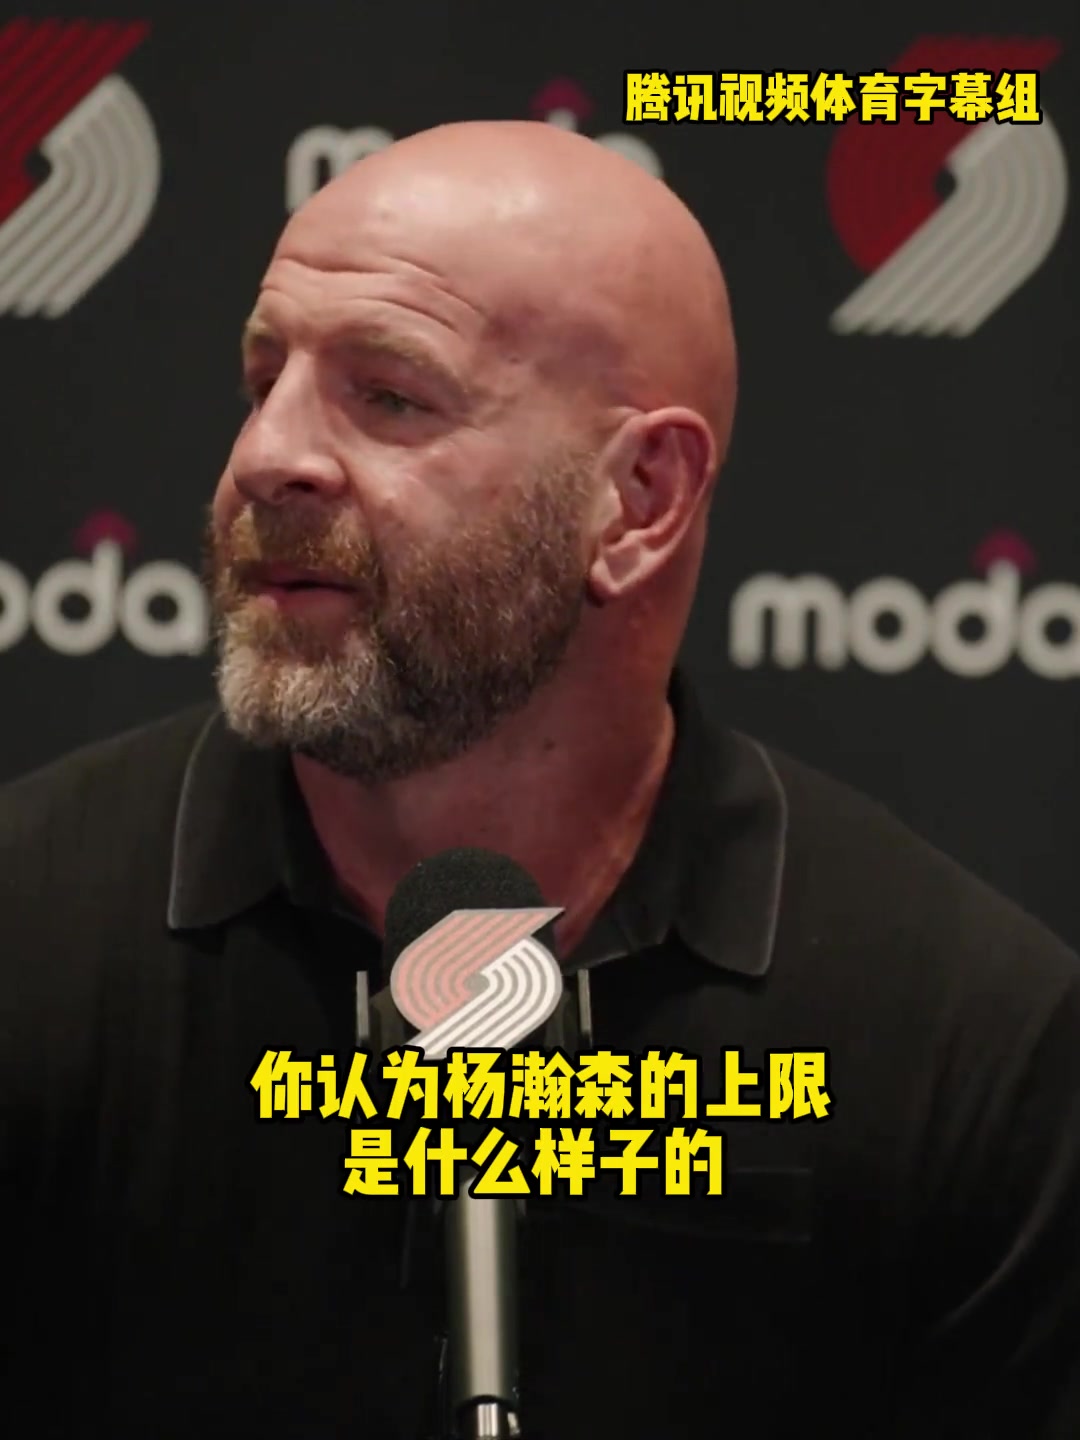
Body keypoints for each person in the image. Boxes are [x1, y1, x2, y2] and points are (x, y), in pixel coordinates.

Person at [1, 119, 1078, 1440]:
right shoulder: (29, 938)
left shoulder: (974, 1047)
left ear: (641, 498)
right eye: (264, 377)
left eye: (390, 396)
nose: (265, 457)